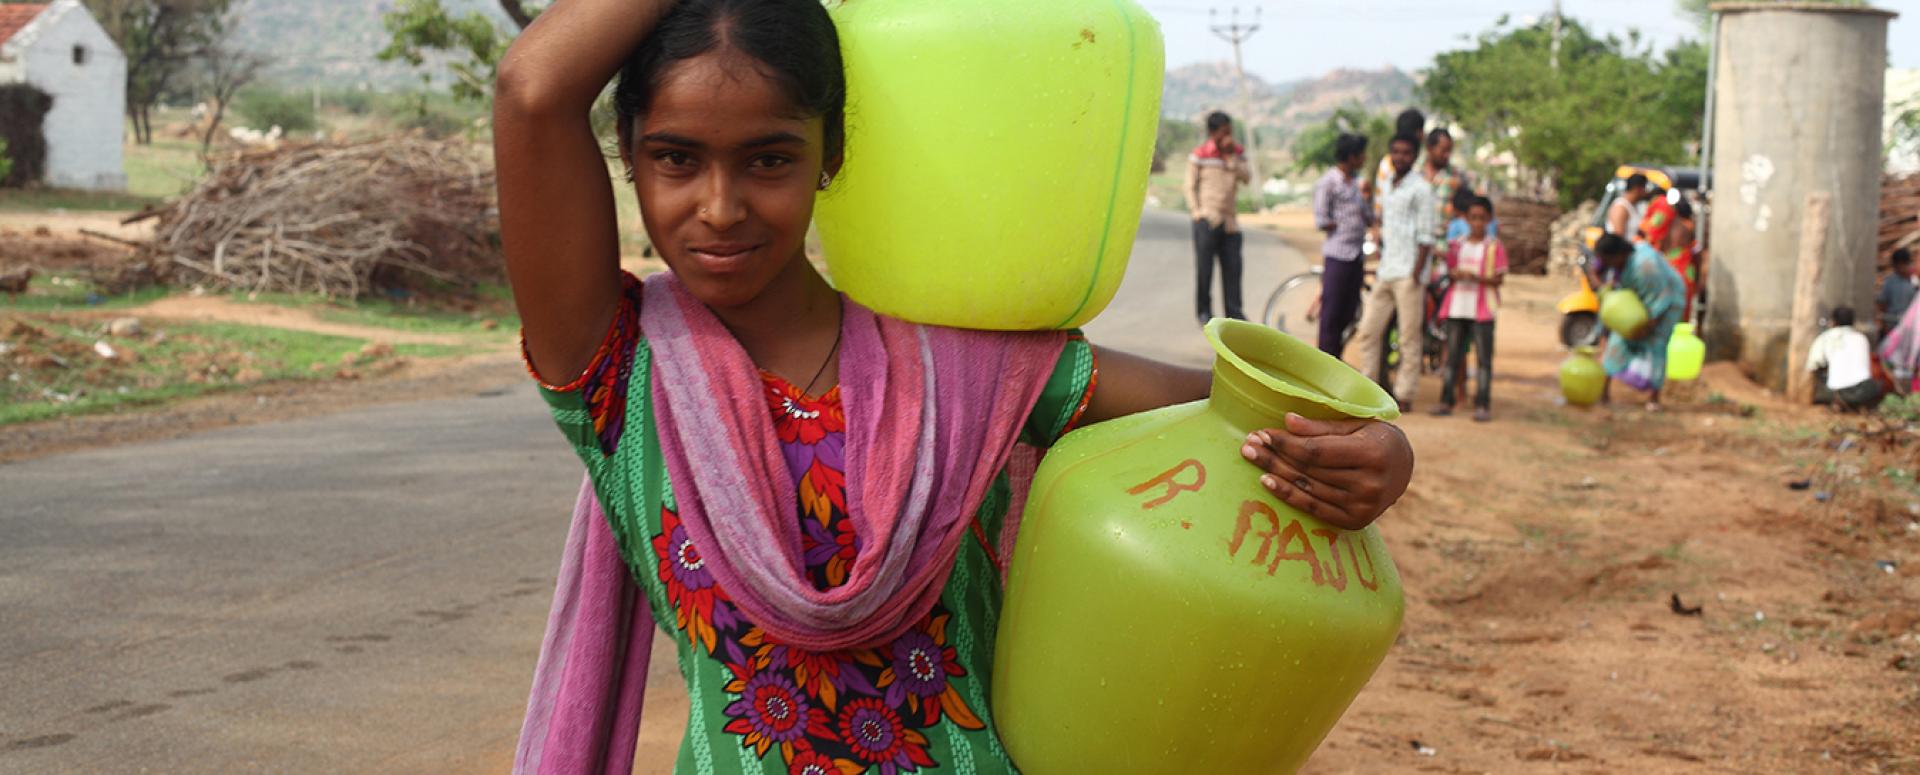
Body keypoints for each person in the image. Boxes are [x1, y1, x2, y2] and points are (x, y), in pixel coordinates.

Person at [492, 1, 1418, 771]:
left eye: (770, 159)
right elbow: (533, 88)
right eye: (676, 158)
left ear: (834, 152)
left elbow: (1240, 417)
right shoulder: (622, 372)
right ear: (628, 154)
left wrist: (1378, 452)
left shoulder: (965, 369)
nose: (721, 206)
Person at [1351, 133, 1435, 410]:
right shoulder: (1387, 184)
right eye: (1396, 152)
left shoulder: (1422, 189)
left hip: (1409, 273)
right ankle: (1368, 388)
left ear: (1415, 156)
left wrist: (1416, 273)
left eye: (1406, 153)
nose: (1400, 157)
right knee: (1368, 331)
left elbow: (1426, 236)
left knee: (1409, 336)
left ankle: (1405, 394)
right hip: (1387, 269)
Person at [1432, 197, 1507, 422]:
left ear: (1488, 220)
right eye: (1473, 218)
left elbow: (1499, 279)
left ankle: (1482, 403)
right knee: (1452, 357)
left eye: (1481, 218)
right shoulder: (1457, 244)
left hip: (1482, 309)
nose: (1476, 223)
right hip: (1457, 307)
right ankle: (1447, 399)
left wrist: (1477, 278)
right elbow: (1448, 271)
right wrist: (1457, 275)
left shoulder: (1494, 246)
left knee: (1484, 359)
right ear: (1467, 219)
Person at [1593, 234, 1687, 410]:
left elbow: (1661, 298)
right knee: (1618, 339)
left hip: (1667, 305)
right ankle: (1603, 394)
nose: (1606, 264)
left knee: (1656, 345)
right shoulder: (1623, 264)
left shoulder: (1644, 266)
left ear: (1618, 254)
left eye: (1608, 259)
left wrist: (1648, 325)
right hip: (1637, 302)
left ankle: (1654, 398)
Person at [1185, 111, 1252, 326]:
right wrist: (1197, 212)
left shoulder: (1237, 153)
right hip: (1207, 220)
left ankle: (1235, 315)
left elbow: (1246, 178)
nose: (1228, 137)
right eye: (1224, 132)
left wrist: (1232, 158)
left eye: (1230, 132)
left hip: (1230, 223)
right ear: (1213, 133)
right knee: (1205, 270)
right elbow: (1189, 186)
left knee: (1233, 270)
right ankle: (1204, 312)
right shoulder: (1200, 154)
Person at [1313, 132, 1374, 357]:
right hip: (1338, 255)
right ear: (1351, 156)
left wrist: (1366, 201)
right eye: (1361, 154)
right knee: (1331, 315)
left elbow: (1369, 217)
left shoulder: (1357, 183)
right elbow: (1320, 218)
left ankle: (1335, 359)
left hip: (1356, 256)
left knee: (1349, 312)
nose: (1364, 158)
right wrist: (1342, 223)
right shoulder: (1329, 182)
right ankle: (1324, 363)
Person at [1808, 307, 1884, 411]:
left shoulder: (1825, 338)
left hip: (1839, 392)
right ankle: (1859, 405)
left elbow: (1813, 365)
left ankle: (1838, 402)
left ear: (1833, 322)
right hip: (1866, 391)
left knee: (1821, 376)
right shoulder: (1861, 338)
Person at [1665, 198, 1700, 322]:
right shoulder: (1690, 225)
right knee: (1684, 303)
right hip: (1685, 267)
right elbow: (1696, 250)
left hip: (1669, 264)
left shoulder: (1669, 224)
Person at [1877, 248, 1917, 335]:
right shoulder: (1890, 282)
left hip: (1910, 325)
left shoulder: (1914, 281)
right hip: (1893, 324)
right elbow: (1882, 304)